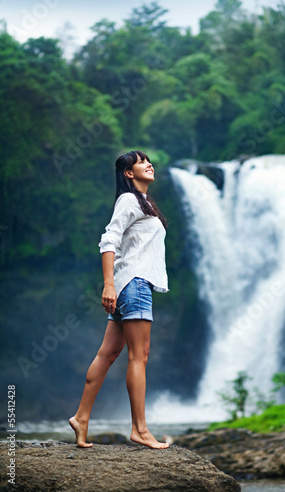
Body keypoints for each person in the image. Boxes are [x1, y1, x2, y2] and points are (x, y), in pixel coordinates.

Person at [69, 150, 170, 449]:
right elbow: (108, 240)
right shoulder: (128, 200)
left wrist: (116, 285)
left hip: (132, 284)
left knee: (108, 354)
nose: (149, 164)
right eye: (141, 162)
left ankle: (81, 418)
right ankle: (140, 429)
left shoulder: (145, 203)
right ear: (128, 173)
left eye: (149, 160)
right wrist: (108, 285)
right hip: (133, 284)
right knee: (140, 356)